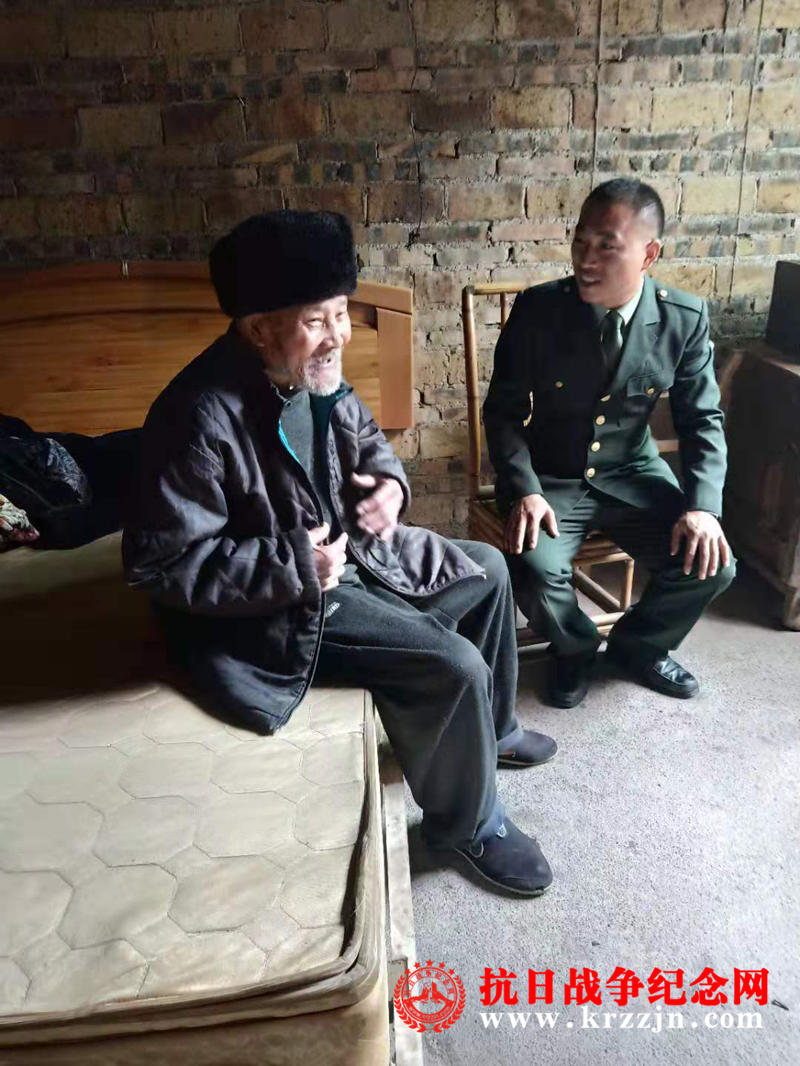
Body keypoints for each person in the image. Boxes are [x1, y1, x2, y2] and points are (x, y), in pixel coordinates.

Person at [123, 209, 557, 897]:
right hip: (277, 607)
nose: (340, 335)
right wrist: (298, 565)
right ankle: (467, 826)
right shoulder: (196, 417)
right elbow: (162, 565)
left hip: (351, 556)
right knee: (452, 665)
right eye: (317, 319)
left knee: (490, 569)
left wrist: (388, 488)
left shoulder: (313, 373)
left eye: (342, 313)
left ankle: (494, 731)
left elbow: (370, 446)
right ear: (259, 327)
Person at [484, 178, 736, 709]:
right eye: (580, 242)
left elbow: (702, 421)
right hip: (550, 475)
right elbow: (503, 412)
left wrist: (703, 508)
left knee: (714, 562)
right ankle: (574, 649)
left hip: (632, 474)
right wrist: (525, 489)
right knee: (533, 567)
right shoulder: (539, 310)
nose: (586, 259)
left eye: (606, 245)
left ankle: (637, 648)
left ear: (649, 254)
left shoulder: (683, 318)